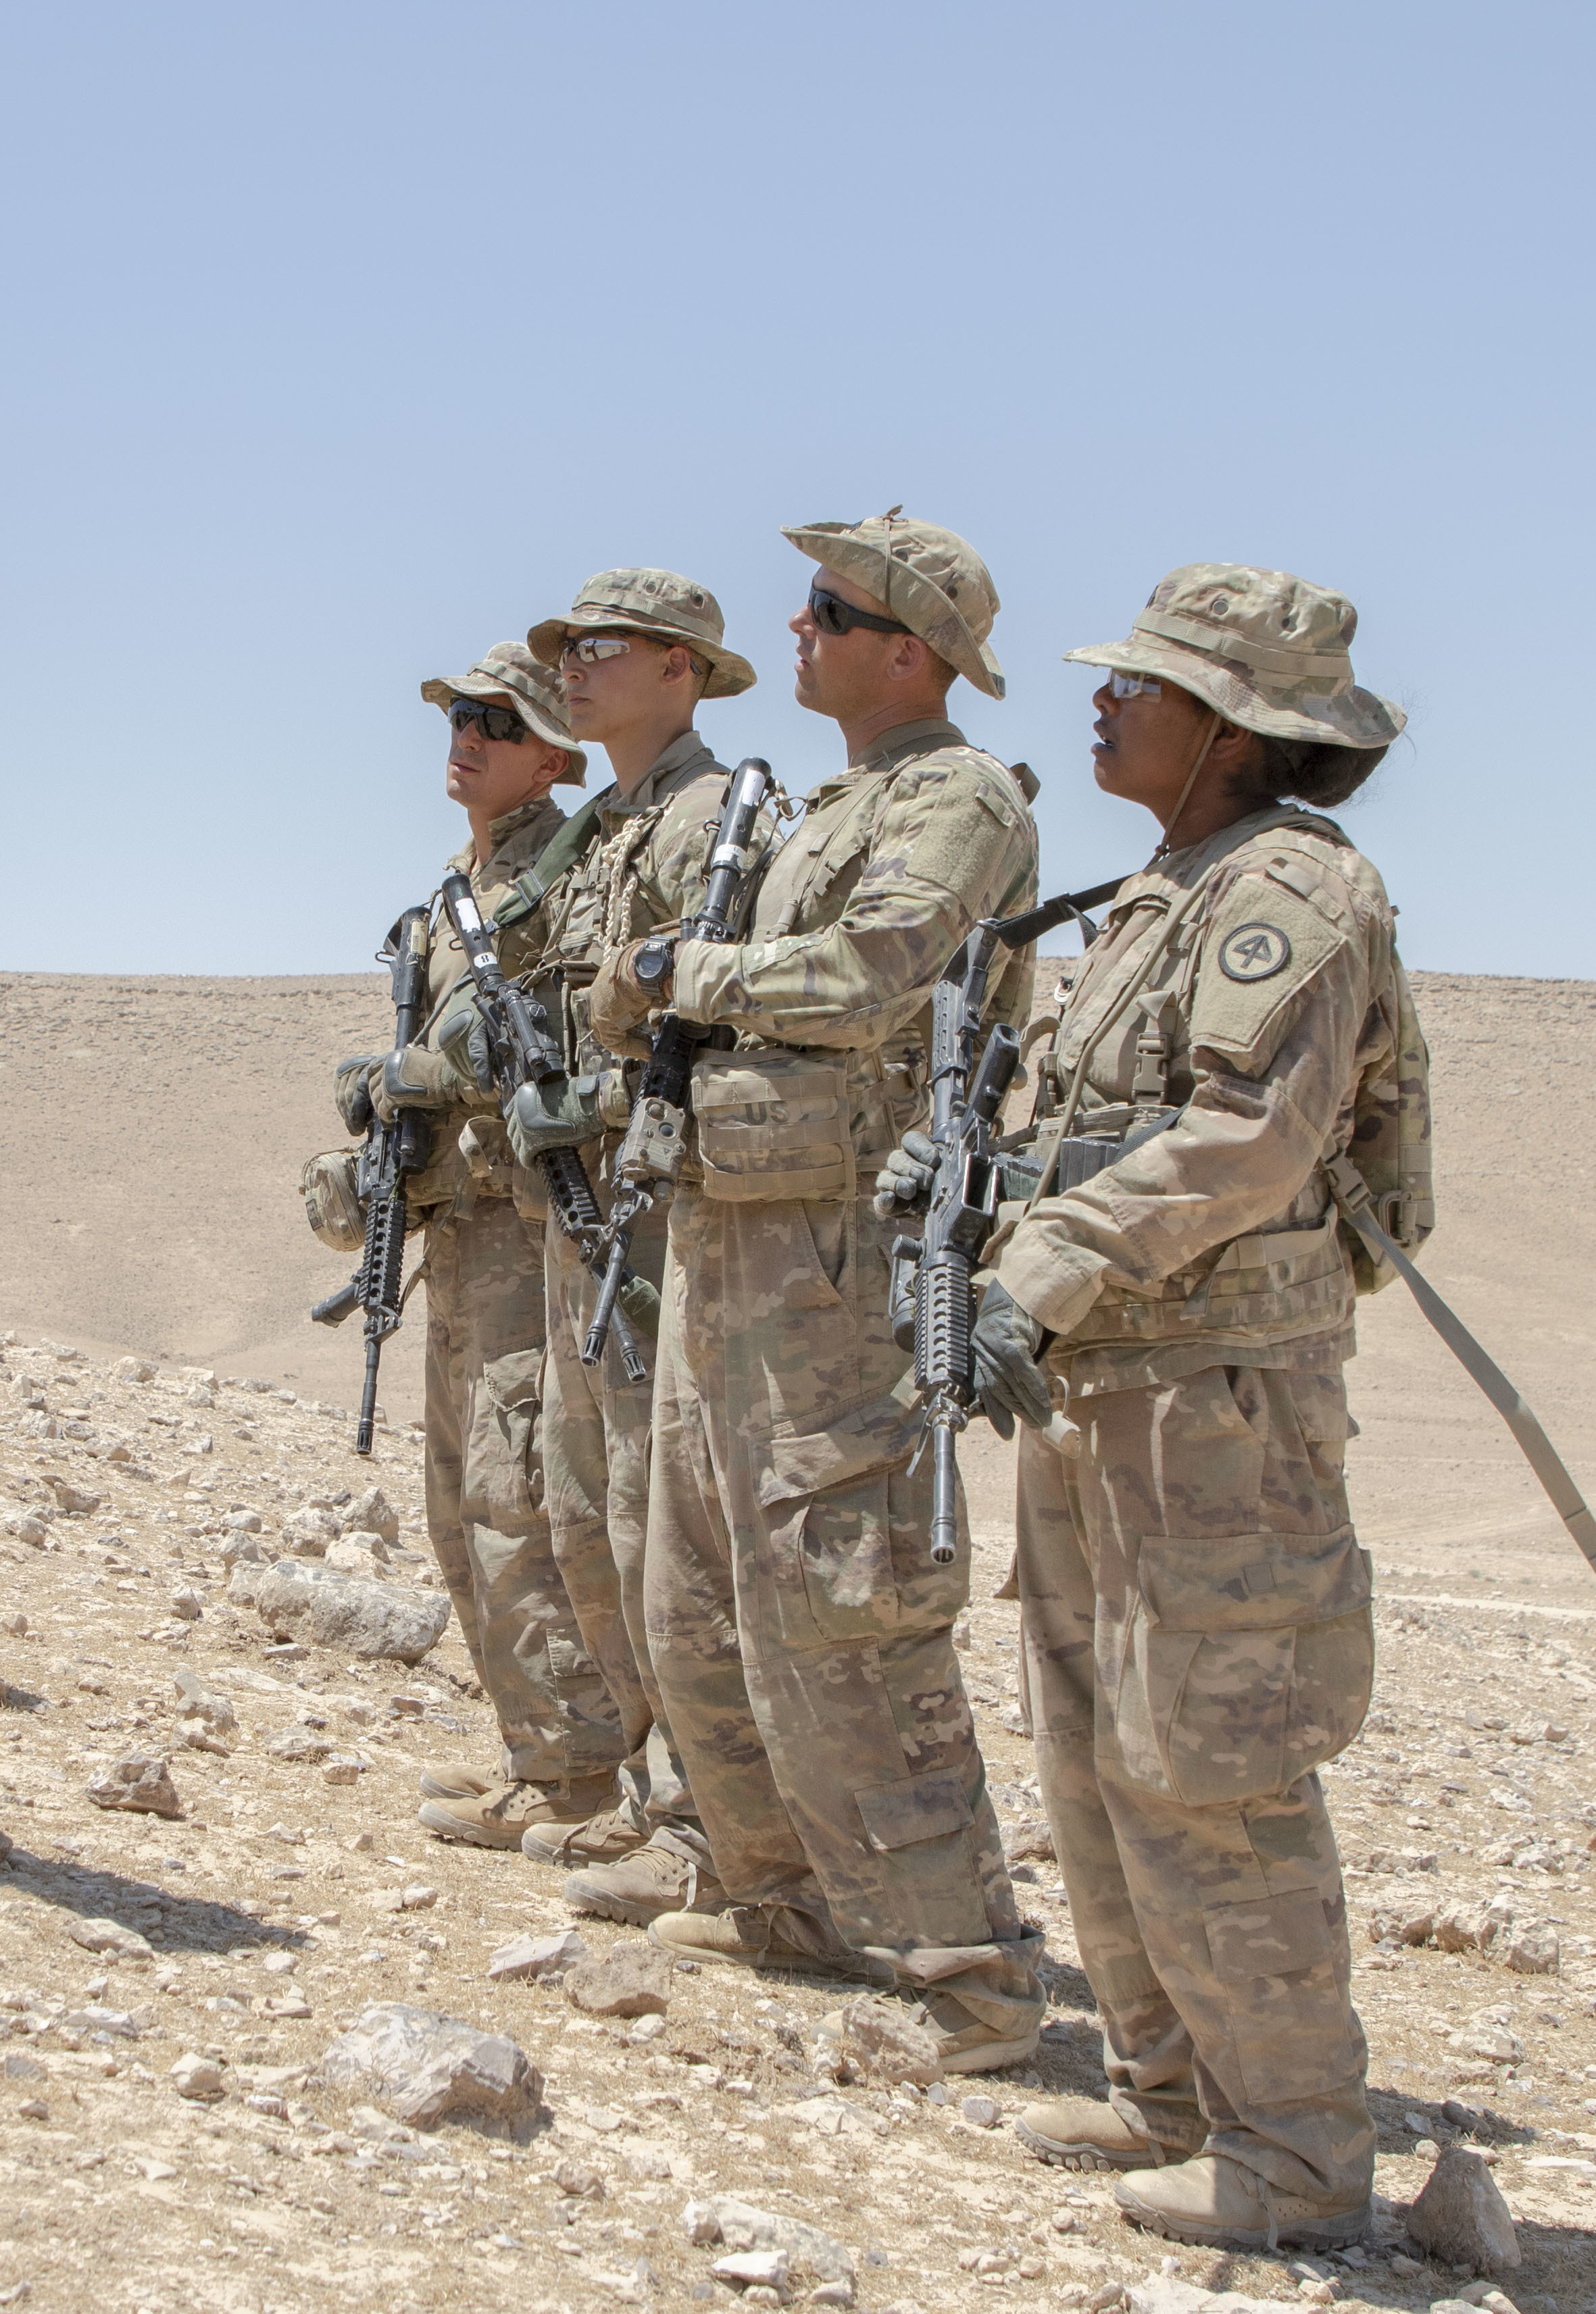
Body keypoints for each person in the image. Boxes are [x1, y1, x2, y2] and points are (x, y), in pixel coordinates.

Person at [935, 563, 1411, 2246]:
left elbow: (1250, 1145)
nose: (1107, 700)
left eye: (1147, 684)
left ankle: (1291, 2155)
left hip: (1214, 1397)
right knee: (1089, 1739)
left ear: (1235, 729)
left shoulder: (1291, 892)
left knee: (1210, 1755)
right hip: (1110, 1379)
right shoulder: (1164, 889)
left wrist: (1045, 1261)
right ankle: (1166, 2094)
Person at [588, 511, 1045, 2069]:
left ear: (906, 649)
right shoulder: (817, 807)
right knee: (696, 1589)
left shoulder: (956, 800)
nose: (798, 630)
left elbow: (868, 978)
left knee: (846, 1609)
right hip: (732, 1234)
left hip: (844, 1251)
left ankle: (963, 1976)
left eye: (827, 611)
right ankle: (781, 1895)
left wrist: (685, 978)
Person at [449, 570, 745, 1921]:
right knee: (581, 1516)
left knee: (648, 1522)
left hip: (645, 1215)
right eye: (557, 651)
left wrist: (595, 1102)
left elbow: (702, 1030)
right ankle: (635, 1797)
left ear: (679, 668)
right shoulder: (612, 835)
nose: (566, 668)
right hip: (568, 1214)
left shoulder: (704, 823)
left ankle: (695, 1821)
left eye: (597, 650)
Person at [312, 643, 634, 1852]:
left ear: (554, 754)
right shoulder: (458, 889)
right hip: (462, 1223)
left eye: (497, 722)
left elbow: (559, 1041)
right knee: (458, 1503)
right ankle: (533, 1752)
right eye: (458, 717)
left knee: (518, 1495)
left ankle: (580, 1770)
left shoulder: (565, 880)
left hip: (524, 1219)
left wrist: (436, 1078)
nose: (466, 737)